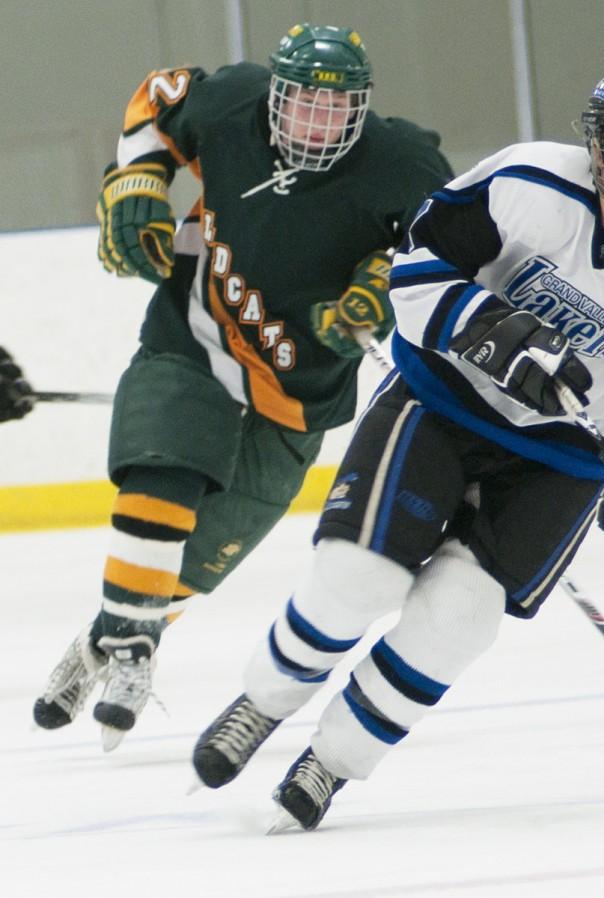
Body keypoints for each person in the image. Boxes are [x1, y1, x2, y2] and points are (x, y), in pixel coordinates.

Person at [191, 70, 604, 832]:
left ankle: (333, 760)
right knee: (357, 577)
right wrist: (493, 332)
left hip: (569, 457)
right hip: (445, 404)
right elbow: (418, 265)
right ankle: (264, 702)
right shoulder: (528, 183)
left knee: (460, 615)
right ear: (599, 155)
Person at [31, 23, 452, 751]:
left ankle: (107, 635)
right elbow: (157, 103)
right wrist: (137, 181)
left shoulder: (404, 163)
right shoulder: (230, 104)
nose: (318, 123)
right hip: (196, 335)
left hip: (298, 396)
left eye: (338, 108)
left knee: (200, 558)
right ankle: (132, 650)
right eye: (303, 104)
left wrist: (382, 285)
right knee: (165, 463)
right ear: (275, 95)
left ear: (362, 108)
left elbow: (444, 249)